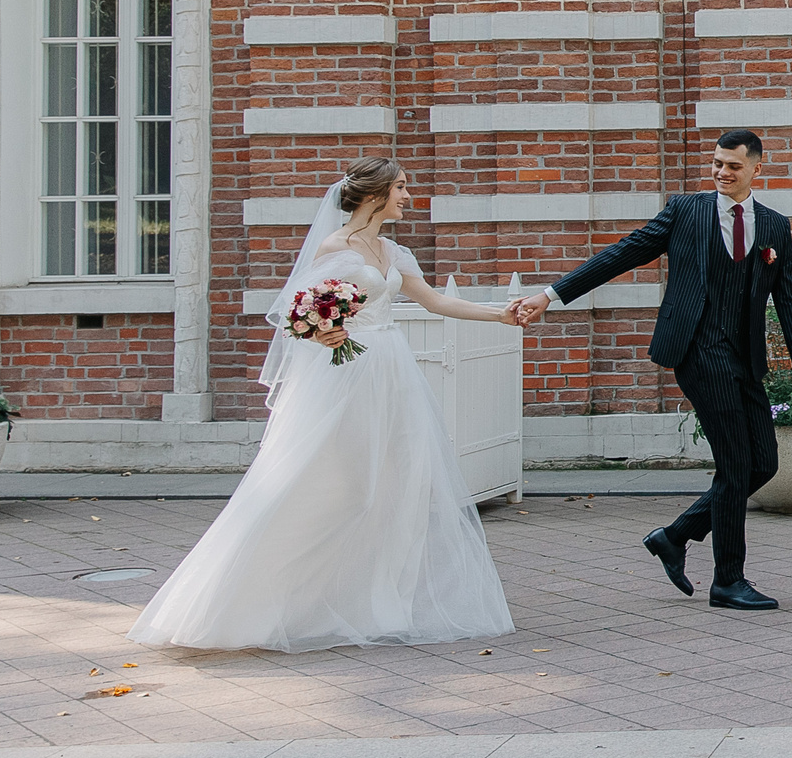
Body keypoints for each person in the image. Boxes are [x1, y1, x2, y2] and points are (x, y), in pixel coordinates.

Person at [130, 158, 521, 652]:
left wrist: (499, 315)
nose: (408, 196)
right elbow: (299, 318)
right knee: (338, 483)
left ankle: (377, 601)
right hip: (348, 375)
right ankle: (260, 598)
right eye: (401, 188)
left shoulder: (393, 251)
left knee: (399, 481)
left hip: (393, 371)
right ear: (374, 194)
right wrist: (322, 333)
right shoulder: (335, 248)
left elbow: (435, 302)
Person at [511, 129, 792, 610]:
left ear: (757, 169)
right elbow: (622, 253)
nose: (722, 172)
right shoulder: (685, 211)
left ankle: (674, 536)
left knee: (763, 463)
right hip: (697, 349)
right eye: (717, 163)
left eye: (733, 166)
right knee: (736, 465)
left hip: (745, 356)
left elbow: (789, 297)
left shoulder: (775, 225)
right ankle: (727, 581)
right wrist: (550, 295)